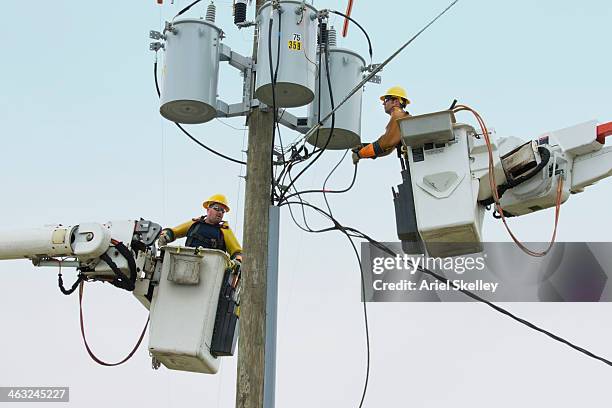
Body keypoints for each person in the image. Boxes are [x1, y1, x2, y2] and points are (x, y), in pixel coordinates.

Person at [157, 194, 243, 262]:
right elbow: (174, 232)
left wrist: (238, 260)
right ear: (208, 209)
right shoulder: (195, 223)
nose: (220, 212)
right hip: (186, 262)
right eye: (217, 208)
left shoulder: (224, 230)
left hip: (212, 270)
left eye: (222, 211)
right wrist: (165, 235)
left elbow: (237, 251)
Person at [352, 86, 411, 164]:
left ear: (396, 102)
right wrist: (364, 147)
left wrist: (360, 154)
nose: (383, 103)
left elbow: (385, 143)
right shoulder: (403, 118)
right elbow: (387, 150)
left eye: (386, 100)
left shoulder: (398, 116)